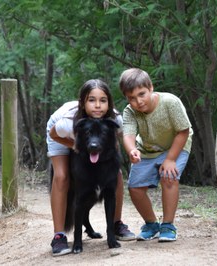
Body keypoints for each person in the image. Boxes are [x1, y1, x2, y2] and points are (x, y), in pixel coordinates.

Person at [46, 79, 135, 256]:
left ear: (109, 103)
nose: (97, 105)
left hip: (95, 143)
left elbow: (115, 144)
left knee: (115, 175)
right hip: (63, 137)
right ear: (82, 103)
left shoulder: (115, 119)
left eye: (103, 100)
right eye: (91, 100)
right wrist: (74, 146)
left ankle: (116, 224)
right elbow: (54, 134)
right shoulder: (67, 121)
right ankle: (59, 235)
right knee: (62, 177)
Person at [119, 68, 192, 242]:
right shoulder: (130, 111)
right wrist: (131, 150)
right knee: (135, 188)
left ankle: (168, 225)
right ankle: (151, 224)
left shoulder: (170, 102)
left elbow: (183, 131)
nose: (138, 101)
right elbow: (128, 135)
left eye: (142, 94)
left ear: (151, 88)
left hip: (176, 145)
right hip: (147, 149)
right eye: (132, 98)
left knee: (168, 176)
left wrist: (170, 159)